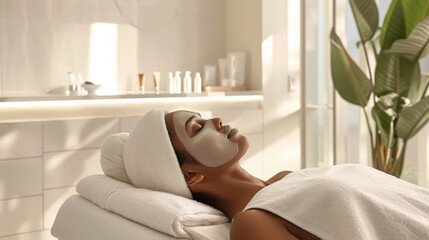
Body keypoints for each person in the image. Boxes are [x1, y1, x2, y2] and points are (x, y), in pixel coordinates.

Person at [123, 109, 429, 240]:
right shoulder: (251, 223)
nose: (215, 120)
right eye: (197, 128)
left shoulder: (285, 179)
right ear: (190, 176)